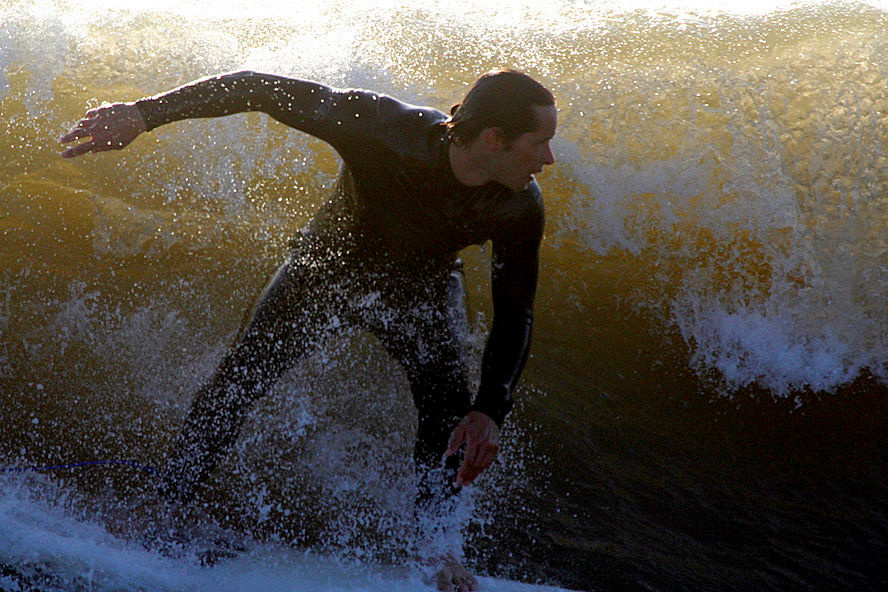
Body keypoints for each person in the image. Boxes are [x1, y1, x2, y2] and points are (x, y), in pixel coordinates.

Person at [60, 68, 557, 591]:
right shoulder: (383, 128)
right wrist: (143, 114)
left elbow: (516, 309)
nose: (548, 159)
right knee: (243, 375)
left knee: (451, 410)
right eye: (540, 142)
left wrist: (490, 410)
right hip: (329, 266)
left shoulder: (519, 205)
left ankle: (435, 544)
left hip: (421, 288)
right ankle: (168, 503)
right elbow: (258, 87)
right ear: (493, 139)